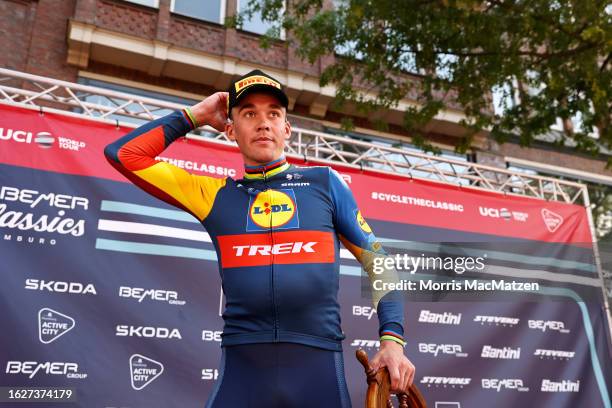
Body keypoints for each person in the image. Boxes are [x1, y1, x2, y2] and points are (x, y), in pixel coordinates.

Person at [104, 69, 415, 407]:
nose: (263, 123)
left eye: (273, 114)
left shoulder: (325, 184)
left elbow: (379, 262)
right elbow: (123, 154)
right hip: (243, 370)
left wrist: (392, 340)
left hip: (318, 368)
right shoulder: (213, 194)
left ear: (287, 129)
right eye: (249, 113)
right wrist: (195, 115)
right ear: (230, 130)